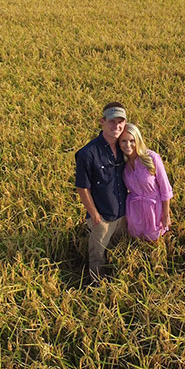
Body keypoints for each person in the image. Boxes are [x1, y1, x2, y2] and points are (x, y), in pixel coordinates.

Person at [75, 102, 128, 281]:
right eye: (112, 121)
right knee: (98, 256)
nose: (117, 126)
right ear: (102, 122)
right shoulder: (87, 153)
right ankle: (96, 288)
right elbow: (82, 187)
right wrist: (94, 215)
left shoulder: (124, 147)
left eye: (121, 122)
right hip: (102, 217)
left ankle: (117, 282)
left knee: (118, 249)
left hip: (122, 213)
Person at [118, 123, 173, 241]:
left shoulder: (152, 158)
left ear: (138, 140)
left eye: (132, 140)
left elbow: (165, 189)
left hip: (154, 210)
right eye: (123, 141)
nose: (128, 145)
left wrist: (166, 214)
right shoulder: (122, 163)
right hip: (134, 211)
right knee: (136, 242)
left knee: (155, 242)